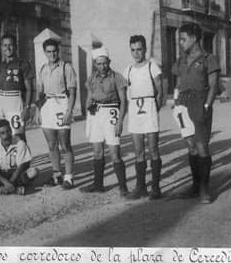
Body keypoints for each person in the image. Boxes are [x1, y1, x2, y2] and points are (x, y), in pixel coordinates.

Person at [171, 22, 220, 204]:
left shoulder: (209, 59)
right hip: (183, 104)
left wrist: (207, 106)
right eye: (180, 40)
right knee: (190, 146)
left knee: (202, 146)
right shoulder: (181, 60)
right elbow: (177, 83)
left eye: (183, 39)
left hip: (200, 103)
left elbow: (213, 86)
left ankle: (204, 190)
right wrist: (176, 102)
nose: (181, 43)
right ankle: (194, 186)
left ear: (194, 38)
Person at [81, 47, 128, 196]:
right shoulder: (92, 78)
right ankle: (98, 184)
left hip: (111, 112)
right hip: (96, 113)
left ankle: (123, 187)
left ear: (109, 62)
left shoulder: (117, 77)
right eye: (99, 63)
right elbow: (89, 96)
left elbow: (123, 101)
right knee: (97, 151)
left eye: (105, 63)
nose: (102, 66)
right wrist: (87, 112)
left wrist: (120, 121)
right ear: (95, 64)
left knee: (114, 151)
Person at [123, 35, 163, 200]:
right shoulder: (128, 70)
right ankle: (141, 187)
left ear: (145, 49)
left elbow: (160, 91)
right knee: (138, 151)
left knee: (153, 149)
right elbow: (125, 93)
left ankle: (156, 187)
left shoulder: (152, 67)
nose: (136, 53)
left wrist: (155, 109)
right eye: (133, 50)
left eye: (139, 49)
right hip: (134, 109)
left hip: (149, 106)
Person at [35, 38, 77, 189]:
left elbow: (72, 92)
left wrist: (69, 111)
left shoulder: (66, 67)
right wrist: (38, 110)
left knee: (65, 144)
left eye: (54, 51)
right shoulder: (43, 69)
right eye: (49, 52)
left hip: (61, 104)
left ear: (58, 51)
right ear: (45, 52)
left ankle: (69, 177)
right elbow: (40, 92)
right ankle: (57, 175)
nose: (52, 54)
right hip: (47, 105)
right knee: (51, 144)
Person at [0, 119, 39, 195]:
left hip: (15, 174)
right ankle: (14, 189)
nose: (6, 135)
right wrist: (5, 182)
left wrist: (10, 182)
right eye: (2, 133)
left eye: (8, 131)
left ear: (11, 130)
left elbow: (21, 166)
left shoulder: (20, 143)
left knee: (34, 171)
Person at [0, 34, 33, 142]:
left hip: (15, 100)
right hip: (0, 101)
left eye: (10, 45)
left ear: (15, 46)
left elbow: (29, 88)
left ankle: (24, 159)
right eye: (5, 45)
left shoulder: (23, 64)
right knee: (2, 135)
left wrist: (27, 107)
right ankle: (7, 158)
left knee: (18, 135)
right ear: (1, 47)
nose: (8, 48)